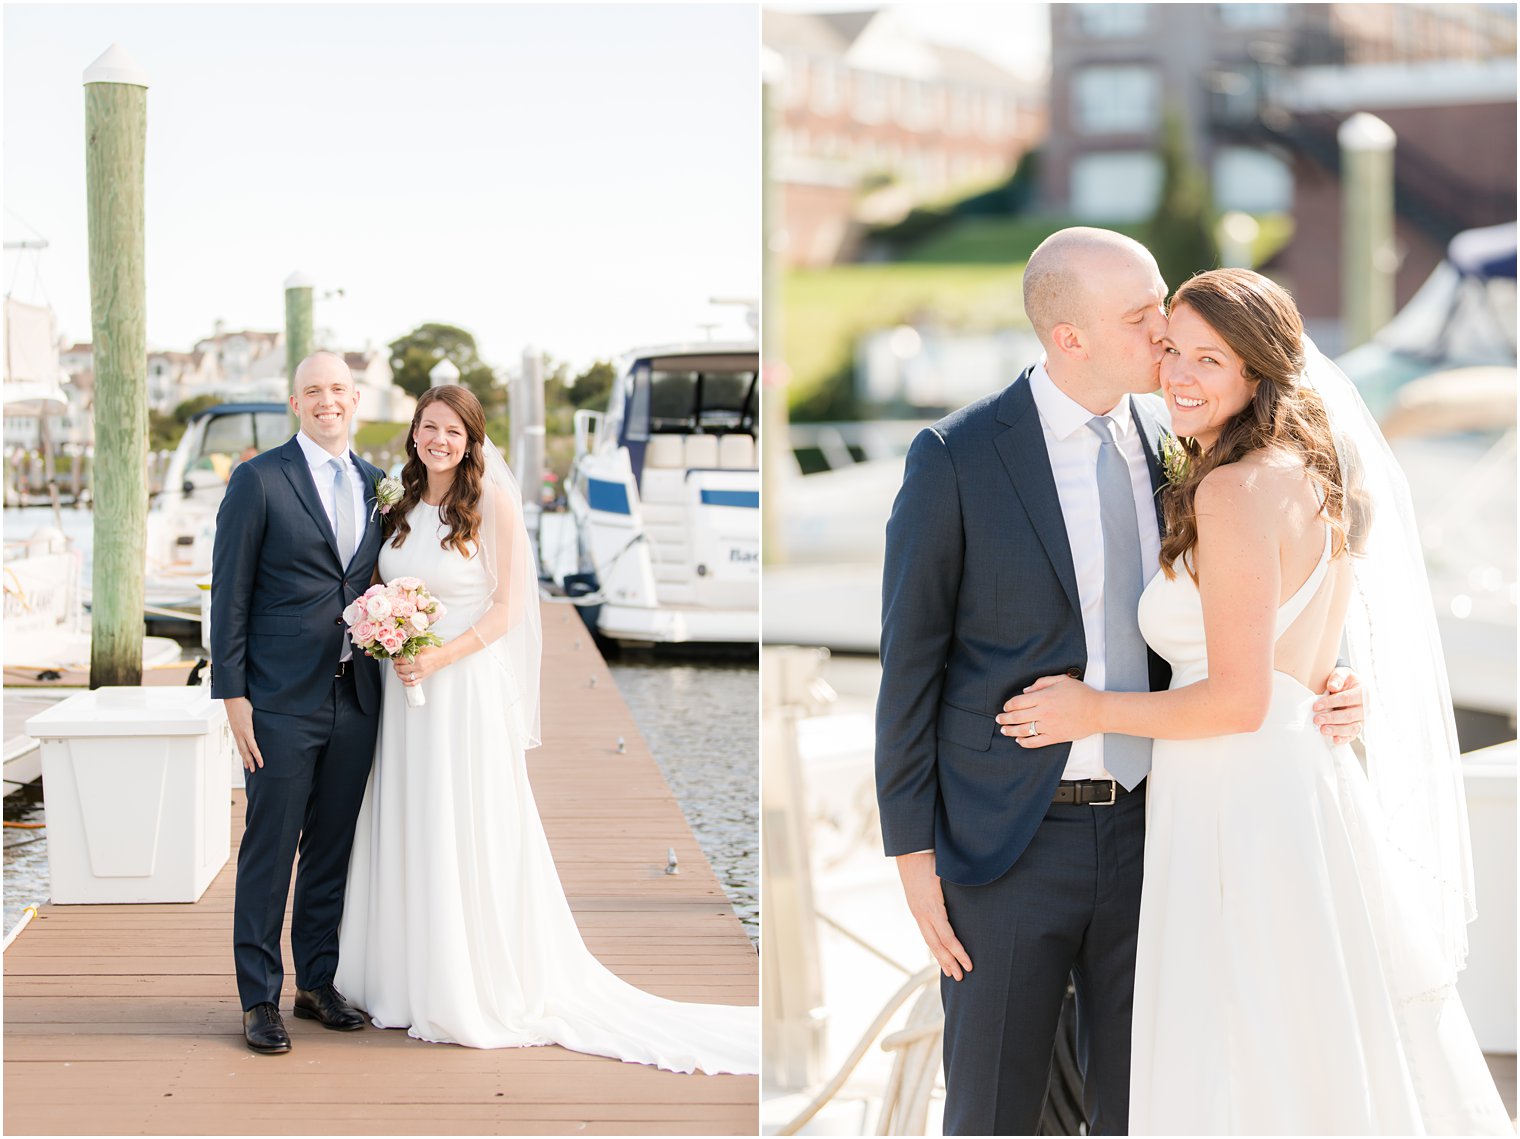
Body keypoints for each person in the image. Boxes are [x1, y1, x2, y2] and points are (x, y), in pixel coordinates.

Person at [998, 268, 1510, 1134]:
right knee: (1309, 1039)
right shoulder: (1313, 475)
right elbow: (1292, 668)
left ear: (1258, 375)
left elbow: (1237, 698)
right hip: (1299, 782)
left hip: (1239, 797)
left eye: (1213, 360)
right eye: (1174, 352)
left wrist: (1094, 709)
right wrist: (1338, 687)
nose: (1181, 377)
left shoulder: (1231, 491)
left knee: (1243, 1045)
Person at [874, 229, 1364, 1135]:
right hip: (1008, 844)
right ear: (1072, 338)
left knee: (1151, 1102)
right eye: (1145, 319)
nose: (1167, 335)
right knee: (991, 1110)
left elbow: (1249, 606)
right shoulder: (956, 457)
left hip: (1163, 830)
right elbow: (906, 671)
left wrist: (1329, 677)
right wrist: (912, 858)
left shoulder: (1184, 442)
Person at [334, 384, 758, 1074]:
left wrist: (437, 654)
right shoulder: (396, 501)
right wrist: (388, 636)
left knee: (461, 820)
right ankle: (400, 977)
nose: (438, 439)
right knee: (407, 817)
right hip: (400, 688)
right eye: (428, 427)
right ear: (413, 433)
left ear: (472, 442)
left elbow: (507, 610)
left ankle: (464, 981)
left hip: (461, 688)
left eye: (452, 431)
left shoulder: (491, 503)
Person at [211, 352, 387, 1054]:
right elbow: (230, 595)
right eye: (314, 390)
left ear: (356, 401)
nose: (328, 401)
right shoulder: (258, 479)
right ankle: (259, 997)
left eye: (339, 389)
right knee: (270, 846)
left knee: (332, 847)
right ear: (294, 401)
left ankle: (316, 981)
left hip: (358, 693)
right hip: (279, 700)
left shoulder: (379, 484)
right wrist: (233, 695)